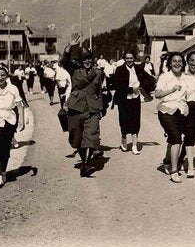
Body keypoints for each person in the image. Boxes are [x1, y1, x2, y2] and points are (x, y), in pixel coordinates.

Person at [61, 34, 105, 177]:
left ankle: (85, 166)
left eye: (89, 59)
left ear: (92, 60)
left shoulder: (98, 72)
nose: (87, 61)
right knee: (77, 137)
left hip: (92, 108)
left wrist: (101, 109)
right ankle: (84, 161)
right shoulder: (74, 70)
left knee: (91, 136)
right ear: (81, 61)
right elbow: (64, 61)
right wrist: (70, 45)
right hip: (76, 107)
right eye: (84, 59)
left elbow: (99, 92)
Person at [112, 50, 155, 155]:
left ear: (134, 59)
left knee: (135, 121)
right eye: (127, 58)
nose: (129, 60)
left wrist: (144, 87)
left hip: (135, 99)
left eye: (131, 58)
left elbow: (149, 79)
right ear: (124, 59)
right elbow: (117, 85)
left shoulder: (138, 68)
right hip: (124, 99)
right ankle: (124, 141)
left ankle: (134, 146)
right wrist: (131, 90)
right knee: (124, 121)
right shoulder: (120, 69)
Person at [154, 52, 188, 183]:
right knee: (176, 139)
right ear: (170, 63)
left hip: (180, 111)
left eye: (180, 61)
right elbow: (157, 94)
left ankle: (167, 162)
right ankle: (174, 171)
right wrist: (172, 90)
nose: (177, 63)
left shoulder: (185, 77)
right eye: (174, 61)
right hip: (166, 111)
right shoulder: (165, 77)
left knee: (173, 138)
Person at [175, 51, 195, 178]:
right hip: (185, 108)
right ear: (187, 62)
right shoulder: (182, 76)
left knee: (191, 136)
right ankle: (188, 165)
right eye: (192, 60)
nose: (194, 63)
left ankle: (182, 161)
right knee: (188, 136)